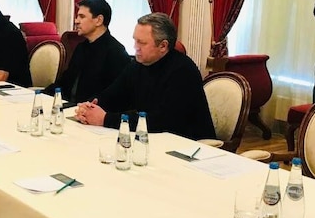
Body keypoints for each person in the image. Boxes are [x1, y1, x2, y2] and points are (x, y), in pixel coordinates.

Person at [75, 13, 216, 140]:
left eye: (142, 43)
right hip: (152, 138)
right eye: (135, 40)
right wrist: (89, 107)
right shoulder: (138, 64)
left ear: (163, 46)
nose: (135, 47)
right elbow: (113, 94)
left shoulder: (183, 71)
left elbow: (162, 121)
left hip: (188, 147)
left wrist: (105, 119)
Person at [43, 0, 130, 103]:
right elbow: (65, 82)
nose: (76, 21)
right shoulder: (81, 47)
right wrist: (40, 95)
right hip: (67, 107)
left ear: (99, 20)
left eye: (82, 17)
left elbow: (115, 96)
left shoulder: (116, 52)